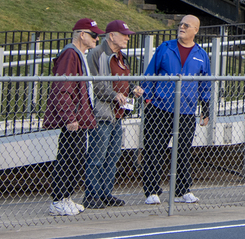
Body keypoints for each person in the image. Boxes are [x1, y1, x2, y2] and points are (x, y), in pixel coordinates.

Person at [141, 15, 211, 205]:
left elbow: (205, 84)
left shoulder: (201, 54)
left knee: (183, 151)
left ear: (195, 30)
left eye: (187, 25)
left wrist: (206, 109)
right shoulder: (166, 47)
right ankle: (152, 191)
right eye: (181, 24)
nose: (182, 27)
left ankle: (182, 190)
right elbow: (151, 72)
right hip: (160, 107)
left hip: (187, 111)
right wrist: (147, 96)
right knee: (154, 149)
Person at [84, 20, 144, 209]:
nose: (127, 38)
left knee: (113, 156)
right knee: (97, 157)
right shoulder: (98, 54)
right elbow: (97, 85)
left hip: (117, 115)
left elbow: (123, 82)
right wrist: (114, 95)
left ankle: (105, 193)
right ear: (112, 36)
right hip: (101, 114)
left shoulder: (120, 56)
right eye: (124, 34)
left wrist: (133, 88)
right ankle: (92, 196)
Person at [44, 18, 100, 217]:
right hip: (73, 119)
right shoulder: (70, 54)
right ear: (82, 35)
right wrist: (69, 116)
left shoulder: (79, 55)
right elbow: (63, 87)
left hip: (79, 117)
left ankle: (66, 197)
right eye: (93, 35)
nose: (96, 38)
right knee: (68, 157)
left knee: (75, 158)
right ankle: (58, 200)